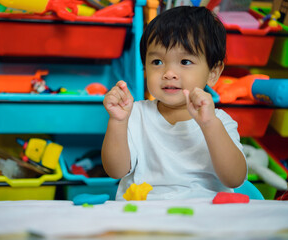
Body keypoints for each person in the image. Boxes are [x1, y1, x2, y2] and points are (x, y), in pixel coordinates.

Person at [101, 6, 247, 200]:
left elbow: (235, 179)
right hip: (143, 215)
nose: (169, 73)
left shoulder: (219, 120)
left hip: (204, 216)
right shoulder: (135, 114)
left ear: (213, 72)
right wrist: (117, 122)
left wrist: (209, 125)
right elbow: (116, 171)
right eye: (157, 62)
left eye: (185, 61)